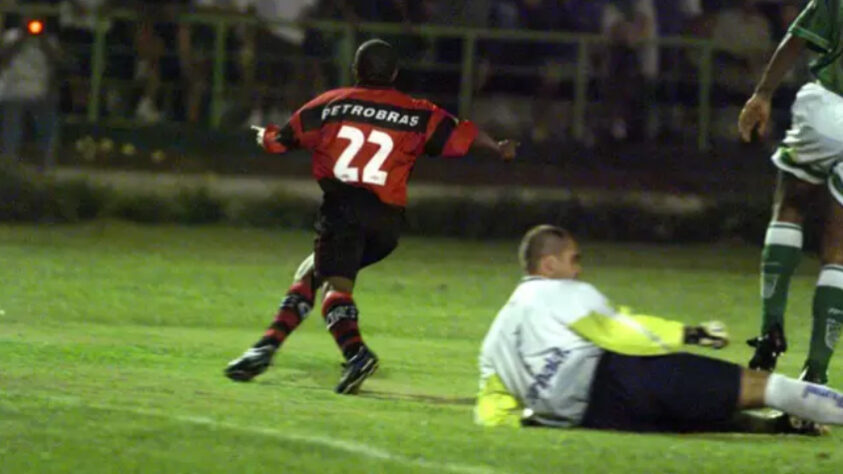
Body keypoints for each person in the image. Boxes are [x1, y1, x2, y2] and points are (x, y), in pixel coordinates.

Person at [225, 38, 518, 394]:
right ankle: (266, 346)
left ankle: (356, 355)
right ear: (394, 73)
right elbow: (461, 133)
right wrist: (498, 147)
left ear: (355, 70)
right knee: (312, 270)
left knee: (335, 288)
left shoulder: (332, 104)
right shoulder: (417, 111)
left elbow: (282, 141)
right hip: (388, 223)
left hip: (345, 208)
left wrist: (264, 138)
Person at [475, 224, 843, 433]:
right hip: (615, 377)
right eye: (575, 260)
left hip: (597, 417)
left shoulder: (495, 339)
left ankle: (782, 427)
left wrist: (531, 421)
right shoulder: (559, 292)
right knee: (761, 387)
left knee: (691, 412)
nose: (579, 270)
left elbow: (492, 411)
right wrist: (691, 334)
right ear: (549, 264)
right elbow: (620, 331)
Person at [738, 0, 843, 385]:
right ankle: (815, 372)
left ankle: (770, 333)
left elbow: (796, 37)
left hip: (829, 109)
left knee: (790, 206)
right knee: (838, 252)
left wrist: (763, 93)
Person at [0, 17, 64, 169]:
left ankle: (46, 163)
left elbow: (58, 61)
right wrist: (21, 39)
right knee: (11, 128)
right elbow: (3, 59)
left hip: (40, 92)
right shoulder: (11, 36)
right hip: (13, 91)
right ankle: (9, 163)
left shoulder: (49, 41)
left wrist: (42, 41)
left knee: (47, 127)